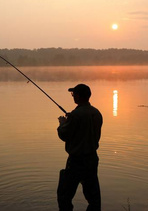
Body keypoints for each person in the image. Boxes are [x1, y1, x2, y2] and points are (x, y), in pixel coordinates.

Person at [57, 83, 103, 211]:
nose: (72, 96)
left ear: (78, 96)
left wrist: (62, 123)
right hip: (92, 160)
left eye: (73, 94)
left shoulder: (75, 115)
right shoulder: (96, 113)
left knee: (64, 196)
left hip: (76, 161)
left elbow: (64, 135)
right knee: (93, 198)